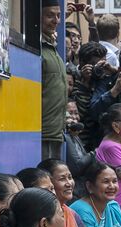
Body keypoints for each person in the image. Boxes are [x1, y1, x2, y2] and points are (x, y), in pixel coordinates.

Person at [41, 0, 68, 159]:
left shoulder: (52, 49)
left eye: (58, 16)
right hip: (44, 134)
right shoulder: (39, 49)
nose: (56, 20)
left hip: (56, 132)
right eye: (50, 15)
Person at [64, 99, 96, 198]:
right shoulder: (66, 136)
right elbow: (77, 167)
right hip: (73, 190)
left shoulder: (75, 135)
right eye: (70, 113)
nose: (74, 117)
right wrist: (94, 153)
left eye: (76, 113)